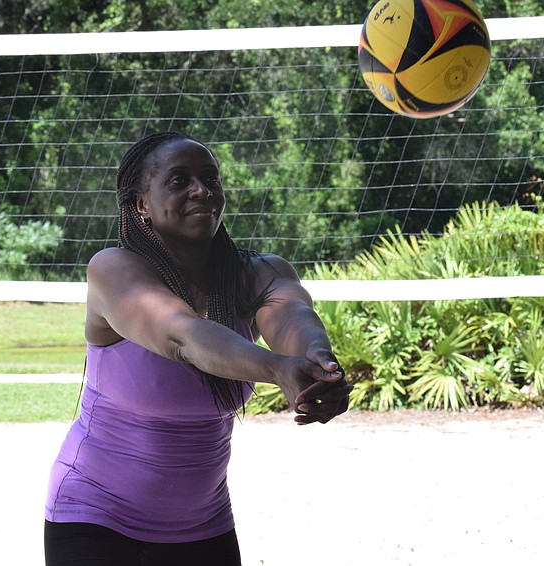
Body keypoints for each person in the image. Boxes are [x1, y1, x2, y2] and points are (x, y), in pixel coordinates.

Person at [44, 131, 352, 566]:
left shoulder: (257, 273)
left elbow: (293, 318)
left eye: (210, 178)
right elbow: (183, 335)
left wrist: (319, 363)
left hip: (203, 523)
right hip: (96, 516)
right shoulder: (113, 270)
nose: (202, 190)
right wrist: (277, 367)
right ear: (141, 205)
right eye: (178, 181)